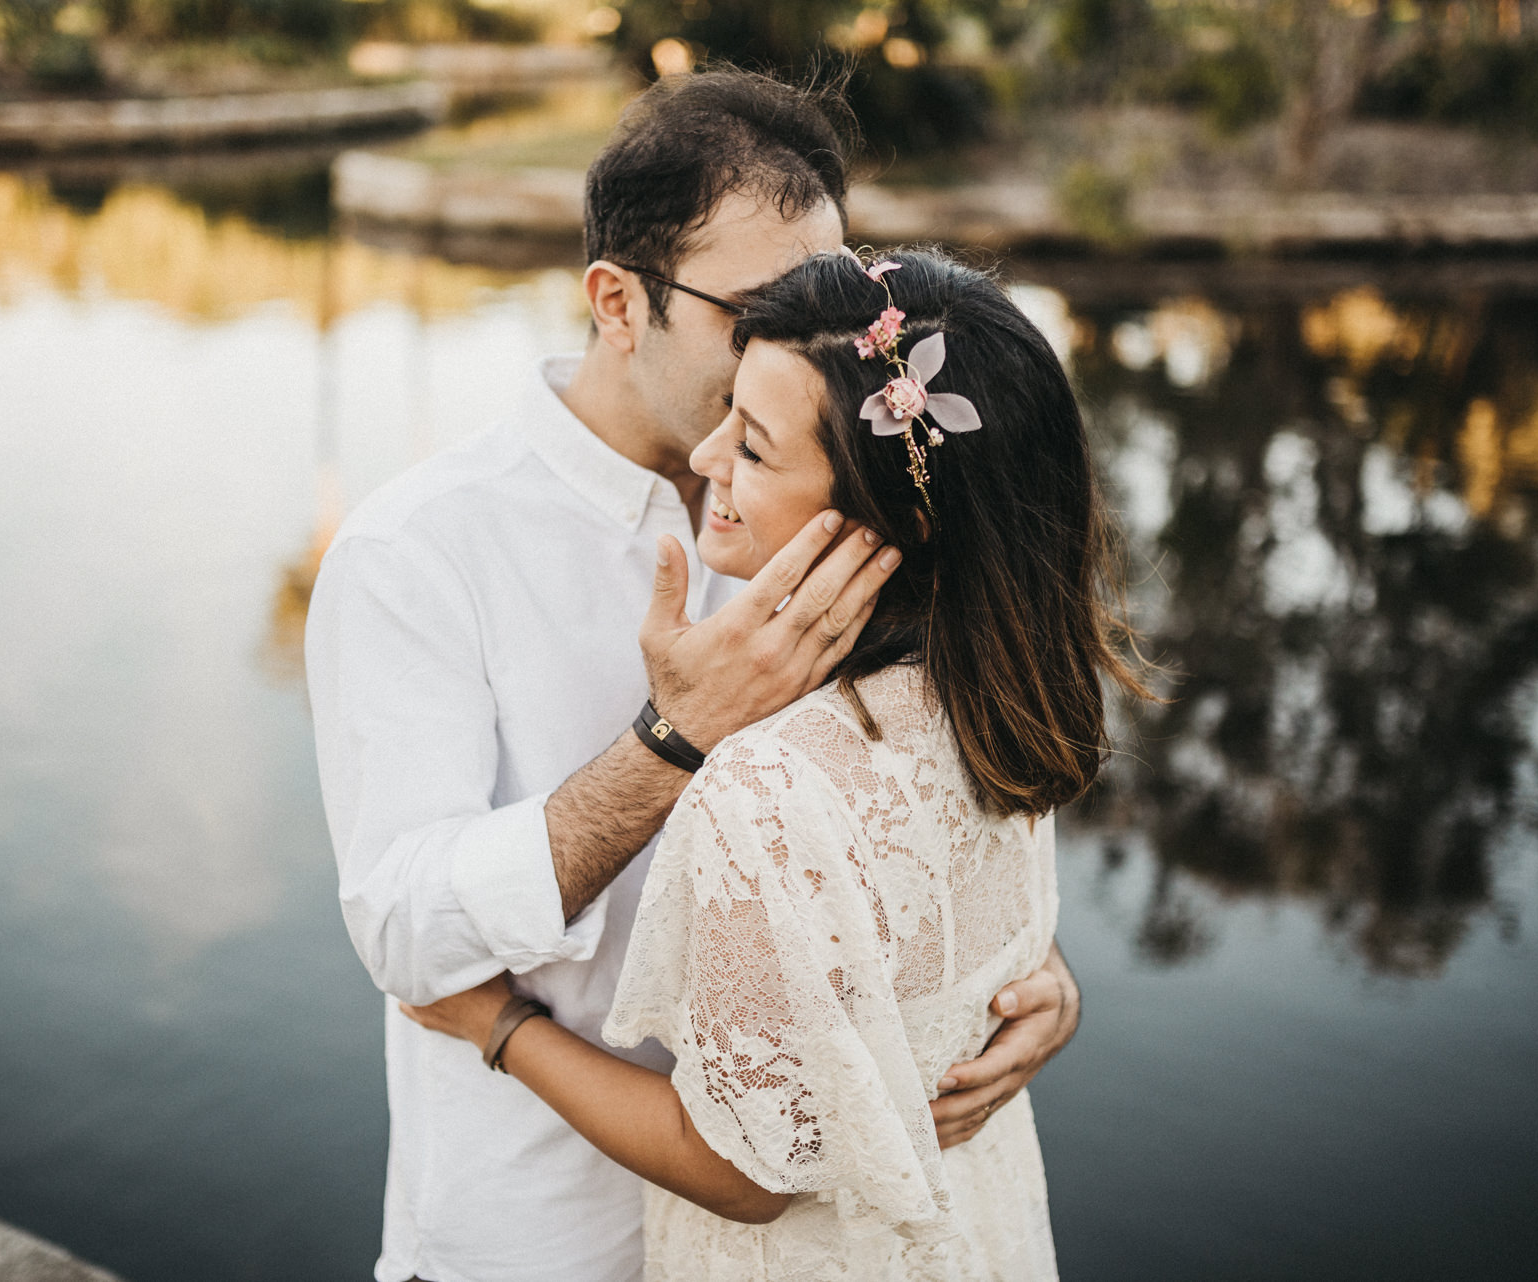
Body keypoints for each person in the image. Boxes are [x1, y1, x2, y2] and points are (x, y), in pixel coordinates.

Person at [306, 71, 1081, 1282]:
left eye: (826, 290)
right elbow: (404, 930)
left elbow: (944, 779)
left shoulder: (840, 489)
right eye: (758, 305)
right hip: (549, 1230)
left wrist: (1020, 976)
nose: (807, 339)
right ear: (618, 301)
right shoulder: (419, 552)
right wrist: (669, 745)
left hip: (831, 1222)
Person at [402, 247, 1150, 1279]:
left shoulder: (764, 788)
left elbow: (749, 1177)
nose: (706, 457)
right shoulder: (1004, 688)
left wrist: (497, 1022)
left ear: (899, 516)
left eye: (752, 447)